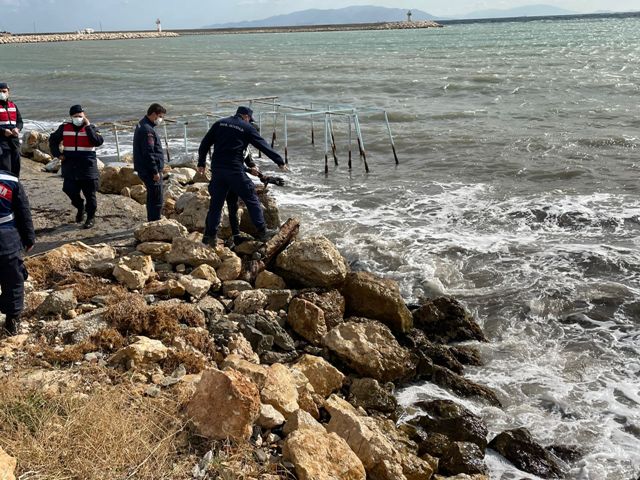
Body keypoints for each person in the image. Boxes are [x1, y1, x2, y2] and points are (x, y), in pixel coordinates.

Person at [197, 106, 288, 246]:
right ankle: (263, 232)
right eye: (249, 119)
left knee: (216, 204)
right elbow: (262, 145)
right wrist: (279, 161)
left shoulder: (219, 123)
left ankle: (210, 236)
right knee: (251, 198)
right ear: (246, 117)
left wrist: (201, 163)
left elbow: (204, 143)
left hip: (217, 170)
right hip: (234, 170)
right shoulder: (246, 127)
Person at [49, 105, 104, 229]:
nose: (78, 118)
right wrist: (58, 154)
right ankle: (80, 206)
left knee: (90, 194)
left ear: (84, 116)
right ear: (71, 117)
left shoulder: (91, 128)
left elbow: (98, 141)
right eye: (76, 116)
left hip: (87, 167)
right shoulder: (64, 128)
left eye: (80, 116)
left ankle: (90, 217)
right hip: (70, 166)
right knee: (68, 189)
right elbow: (53, 140)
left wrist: (88, 126)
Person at [0, 169, 35, 336]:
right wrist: (29, 239)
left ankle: (12, 320)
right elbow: (23, 212)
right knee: (13, 279)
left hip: (7, 237)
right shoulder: (10, 180)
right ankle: (12, 321)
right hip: (7, 239)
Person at [133, 103, 166, 221]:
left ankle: (151, 219)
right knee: (156, 198)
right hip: (150, 171)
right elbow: (149, 153)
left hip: (144, 168)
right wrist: (155, 171)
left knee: (152, 196)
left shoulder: (142, 124)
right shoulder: (148, 130)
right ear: (153, 114)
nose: (161, 119)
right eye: (160, 116)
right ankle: (154, 221)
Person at [0, 82, 23, 177]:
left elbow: (20, 121)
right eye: (0, 91)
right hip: (1, 140)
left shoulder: (13, 105)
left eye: (4, 91)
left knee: (16, 165)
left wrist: (18, 129)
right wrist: (3, 131)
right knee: (6, 166)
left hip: (14, 140)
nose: (2, 93)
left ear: (8, 92)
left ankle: (15, 187)